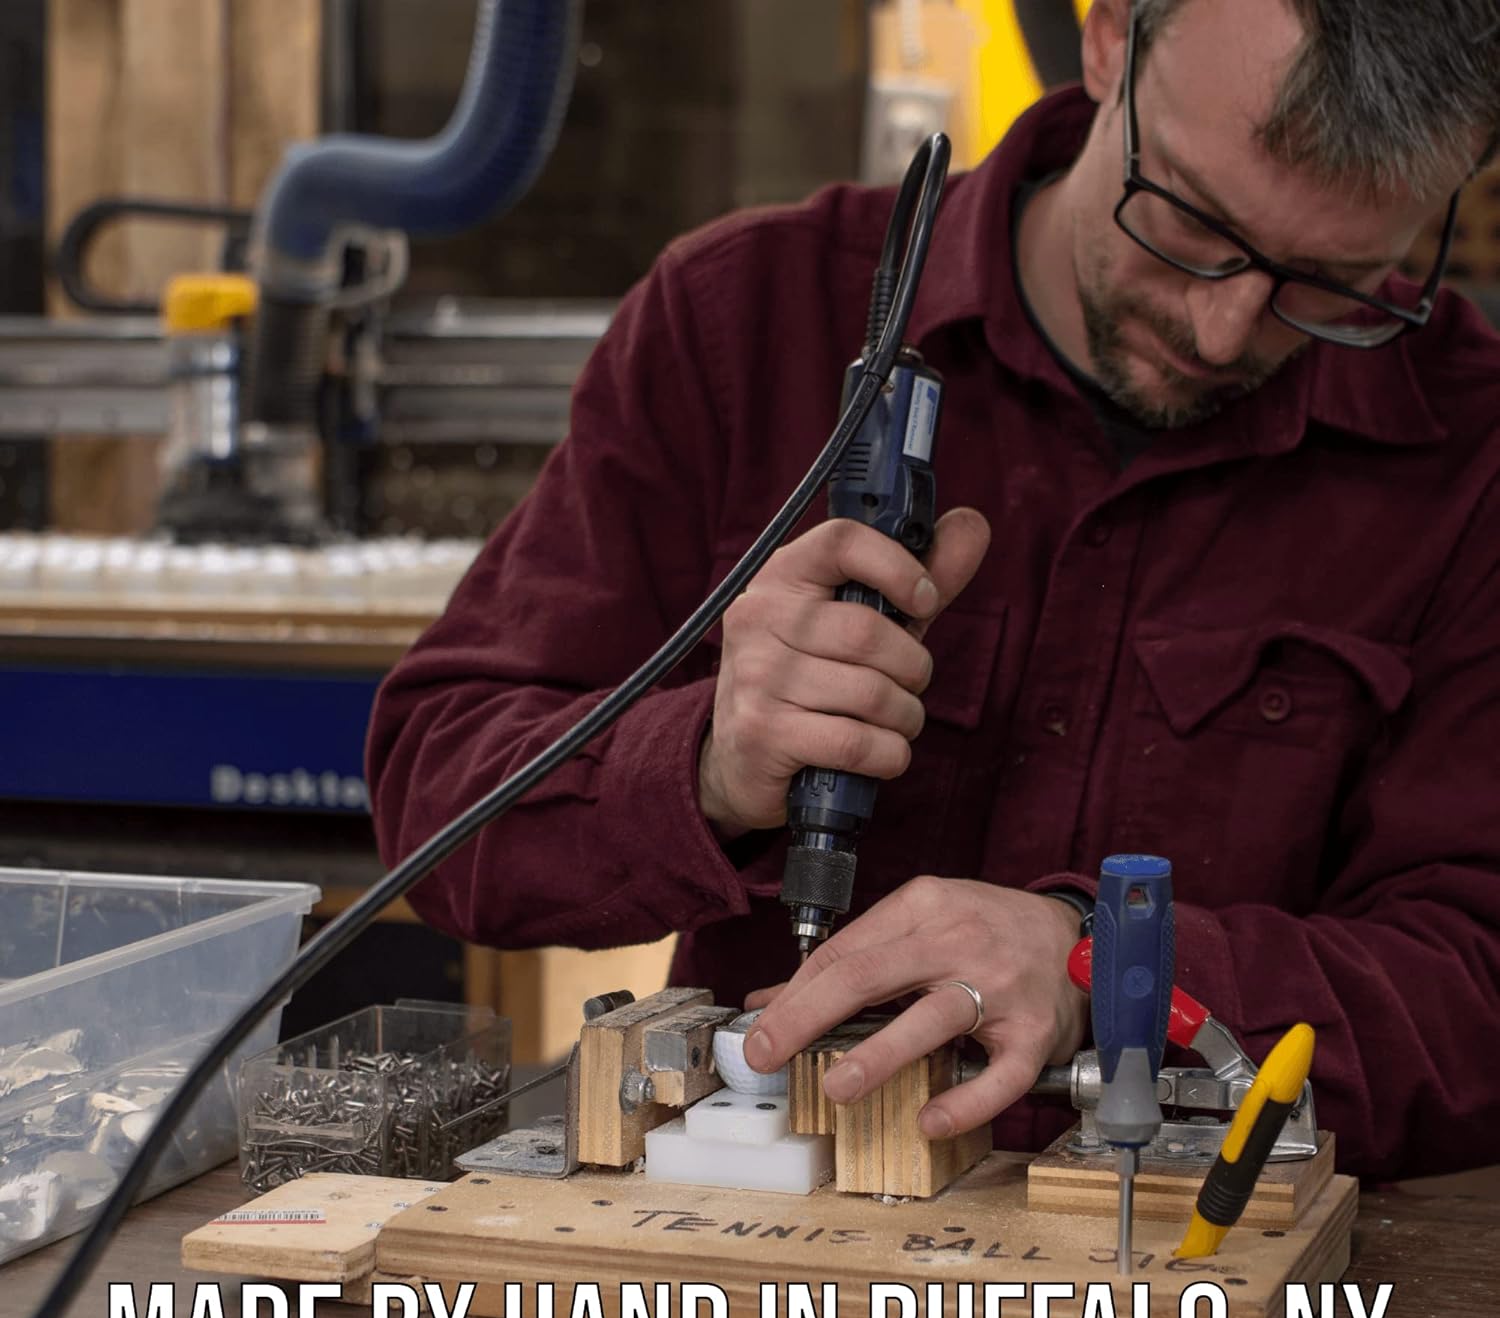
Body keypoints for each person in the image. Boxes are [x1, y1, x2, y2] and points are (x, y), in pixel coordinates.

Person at [366, 0, 1500, 1179]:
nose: (1223, 331)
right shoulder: (745, 322)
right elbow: (434, 797)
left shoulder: (1472, 461)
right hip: (763, 1288)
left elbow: (1476, 987)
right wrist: (702, 761)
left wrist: (1106, 973)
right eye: (1191, 223)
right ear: (1111, 35)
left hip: (1208, 1306)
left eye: (1334, 283)